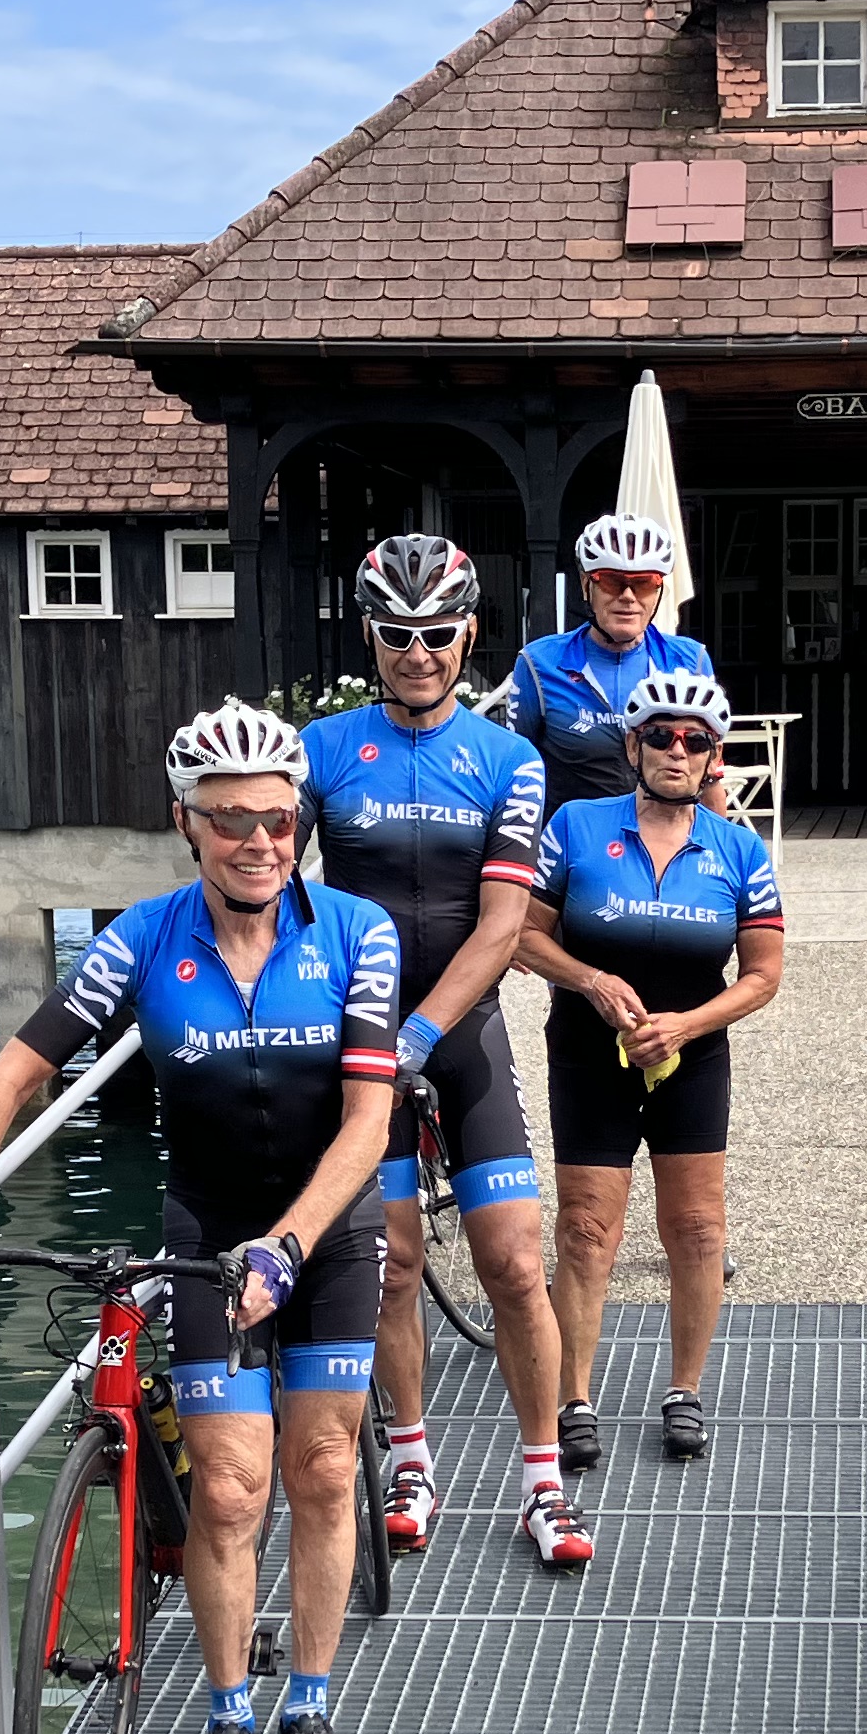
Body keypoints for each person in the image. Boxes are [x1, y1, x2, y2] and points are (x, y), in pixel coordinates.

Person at [0, 704, 400, 1734]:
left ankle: (309, 1706)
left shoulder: (358, 931)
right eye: (230, 820)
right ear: (186, 824)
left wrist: (290, 1244)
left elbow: (368, 1124)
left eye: (277, 818)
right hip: (208, 1231)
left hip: (325, 1234)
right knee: (228, 1488)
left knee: (321, 1471)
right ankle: (226, 1713)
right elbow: (11, 1077)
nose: (257, 840)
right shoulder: (141, 938)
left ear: (302, 821)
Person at [301, 533, 591, 1565]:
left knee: (513, 1262)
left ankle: (545, 1482)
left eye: (437, 635)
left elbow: (505, 926)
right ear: (369, 636)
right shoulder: (322, 748)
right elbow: (258, 871)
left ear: (469, 636)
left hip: (459, 1035)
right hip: (359, 1037)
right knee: (391, 1268)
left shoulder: (509, 760)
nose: (418, 653)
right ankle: (413, 1461)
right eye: (398, 634)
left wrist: (421, 1034)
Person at [520, 669, 787, 1464]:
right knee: (585, 1231)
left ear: (712, 757)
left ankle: (685, 1390)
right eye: (662, 736)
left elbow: (764, 974)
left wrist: (686, 1025)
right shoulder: (575, 825)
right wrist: (592, 981)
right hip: (588, 1050)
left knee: (698, 1229)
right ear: (633, 745)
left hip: (690, 1058)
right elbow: (523, 936)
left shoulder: (737, 848)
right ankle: (574, 1396)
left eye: (695, 740)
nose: (678, 750)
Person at [507, 512, 718, 809]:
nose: (628, 596)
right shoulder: (538, 663)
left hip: (665, 834)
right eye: (611, 582)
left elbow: (710, 776)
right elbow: (516, 773)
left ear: (659, 590)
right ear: (586, 585)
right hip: (571, 835)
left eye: (644, 583)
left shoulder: (691, 661)